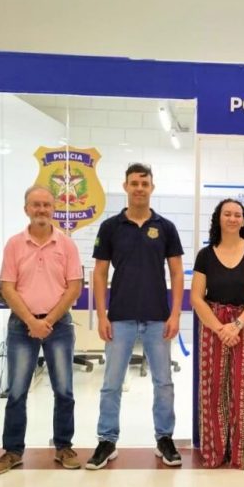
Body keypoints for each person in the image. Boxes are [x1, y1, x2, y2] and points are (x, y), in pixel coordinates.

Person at [86, 163, 184, 470]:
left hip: (158, 318)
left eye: (144, 183)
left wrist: (175, 314)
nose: (139, 188)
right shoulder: (111, 227)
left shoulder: (165, 227)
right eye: (134, 183)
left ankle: (164, 439)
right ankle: (107, 441)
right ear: (125, 186)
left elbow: (178, 272)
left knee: (164, 383)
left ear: (152, 188)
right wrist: (101, 316)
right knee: (111, 383)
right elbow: (100, 274)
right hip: (120, 318)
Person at [0, 185, 83, 475]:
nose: (41, 210)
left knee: (64, 390)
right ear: (26, 209)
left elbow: (74, 287)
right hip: (22, 326)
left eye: (46, 205)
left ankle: (64, 446)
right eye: (35, 205)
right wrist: (32, 321)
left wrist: (48, 321)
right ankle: (13, 451)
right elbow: (7, 287)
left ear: (53, 209)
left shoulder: (66, 245)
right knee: (17, 391)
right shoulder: (15, 244)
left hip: (59, 325)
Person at [190, 198, 244, 470]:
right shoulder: (205, 255)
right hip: (213, 328)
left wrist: (236, 325)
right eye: (228, 214)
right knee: (213, 391)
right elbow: (197, 298)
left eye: (238, 214)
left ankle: (242, 454)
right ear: (218, 218)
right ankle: (214, 452)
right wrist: (220, 328)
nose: (233, 218)